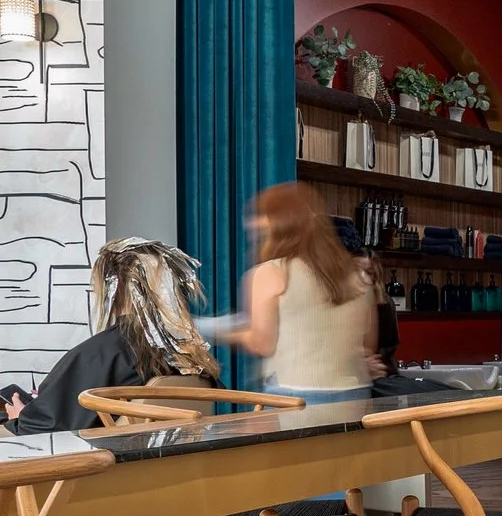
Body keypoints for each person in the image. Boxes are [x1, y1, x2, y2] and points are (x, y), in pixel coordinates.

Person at [0, 239, 222, 431]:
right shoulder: (187, 356)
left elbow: (48, 428)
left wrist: (22, 419)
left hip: (87, 466)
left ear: (112, 290)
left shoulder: (107, 352)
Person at [213, 183, 380, 401]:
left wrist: (217, 330)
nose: (252, 224)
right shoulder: (359, 276)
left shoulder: (269, 273)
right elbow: (368, 345)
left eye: (260, 217)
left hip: (296, 397)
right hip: (355, 395)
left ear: (279, 223)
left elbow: (262, 343)